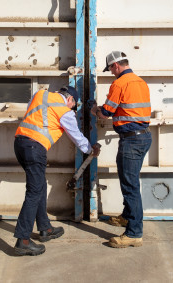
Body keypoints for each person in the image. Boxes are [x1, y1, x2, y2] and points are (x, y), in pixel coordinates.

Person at [13, 85, 100, 256]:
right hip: (35, 147)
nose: (72, 109)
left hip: (19, 143)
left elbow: (31, 112)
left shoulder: (40, 94)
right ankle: (22, 240)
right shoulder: (65, 111)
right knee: (34, 192)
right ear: (70, 99)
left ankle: (45, 228)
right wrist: (91, 150)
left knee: (40, 186)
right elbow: (76, 136)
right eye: (73, 106)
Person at [90, 51, 152, 248]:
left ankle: (134, 233)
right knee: (130, 182)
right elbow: (128, 108)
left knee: (130, 186)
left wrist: (94, 109)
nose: (111, 73)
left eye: (110, 69)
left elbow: (105, 113)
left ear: (115, 65)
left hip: (131, 140)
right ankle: (127, 216)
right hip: (144, 137)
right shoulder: (140, 82)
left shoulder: (119, 83)